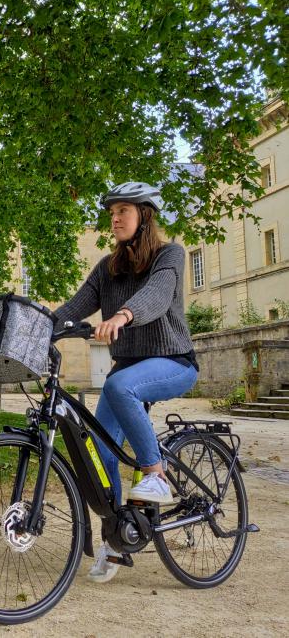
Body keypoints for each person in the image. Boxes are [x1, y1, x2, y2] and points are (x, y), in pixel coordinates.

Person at [52, 181, 198, 583]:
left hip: (172, 362)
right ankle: (118, 542)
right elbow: (74, 307)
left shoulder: (170, 255)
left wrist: (123, 315)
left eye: (124, 211)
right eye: (112, 212)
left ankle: (155, 475)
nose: (115, 218)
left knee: (119, 386)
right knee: (98, 454)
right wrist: (38, 325)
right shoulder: (108, 268)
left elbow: (158, 294)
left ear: (144, 216)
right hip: (128, 368)